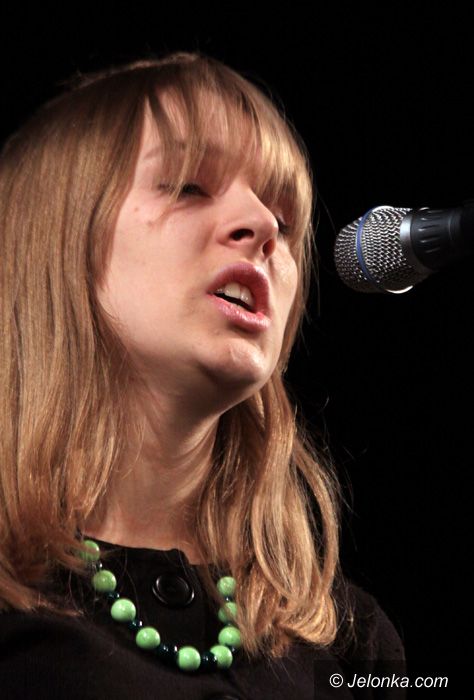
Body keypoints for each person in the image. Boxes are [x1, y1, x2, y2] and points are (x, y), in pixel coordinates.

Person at [0, 51, 406, 698]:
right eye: (189, 186)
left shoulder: (350, 643)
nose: (264, 226)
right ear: (53, 241)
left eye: (286, 222)